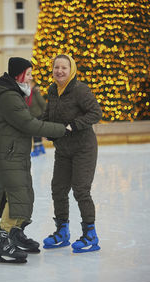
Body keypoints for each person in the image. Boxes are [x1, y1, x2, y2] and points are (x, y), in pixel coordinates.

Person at [0, 57, 71, 264]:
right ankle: (3, 243)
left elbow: (29, 120)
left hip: (11, 152)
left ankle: (16, 234)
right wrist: (62, 129)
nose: (32, 77)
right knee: (17, 196)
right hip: (6, 154)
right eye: (29, 74)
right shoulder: (9, 96)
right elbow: (29, 125)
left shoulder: (14, 93)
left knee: (24, 194)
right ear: (19, 75)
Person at [42, 54, 102, 253]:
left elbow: (96, 113)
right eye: (56, 67)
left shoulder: (80, 89)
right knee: (58, 189)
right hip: (63, 149)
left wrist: (73, 126)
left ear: (71, 70)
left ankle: (90, 234)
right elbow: (48, 114)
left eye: (63, 68)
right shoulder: (52, 90)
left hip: (83, 148)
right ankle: (62, 231)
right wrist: (40, 127)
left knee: (81, 190)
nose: (59, 71)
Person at [25, 81, 47, 156]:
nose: (27, 86)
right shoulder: (25, 95)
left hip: (38, 115)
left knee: (36, 133)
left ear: (32, 85)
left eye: (29, 84)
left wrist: (46, 114)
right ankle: (41, 147)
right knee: (36, 133)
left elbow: (42, 103)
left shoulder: (35, 93)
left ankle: (37, 148)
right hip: (31, 117)